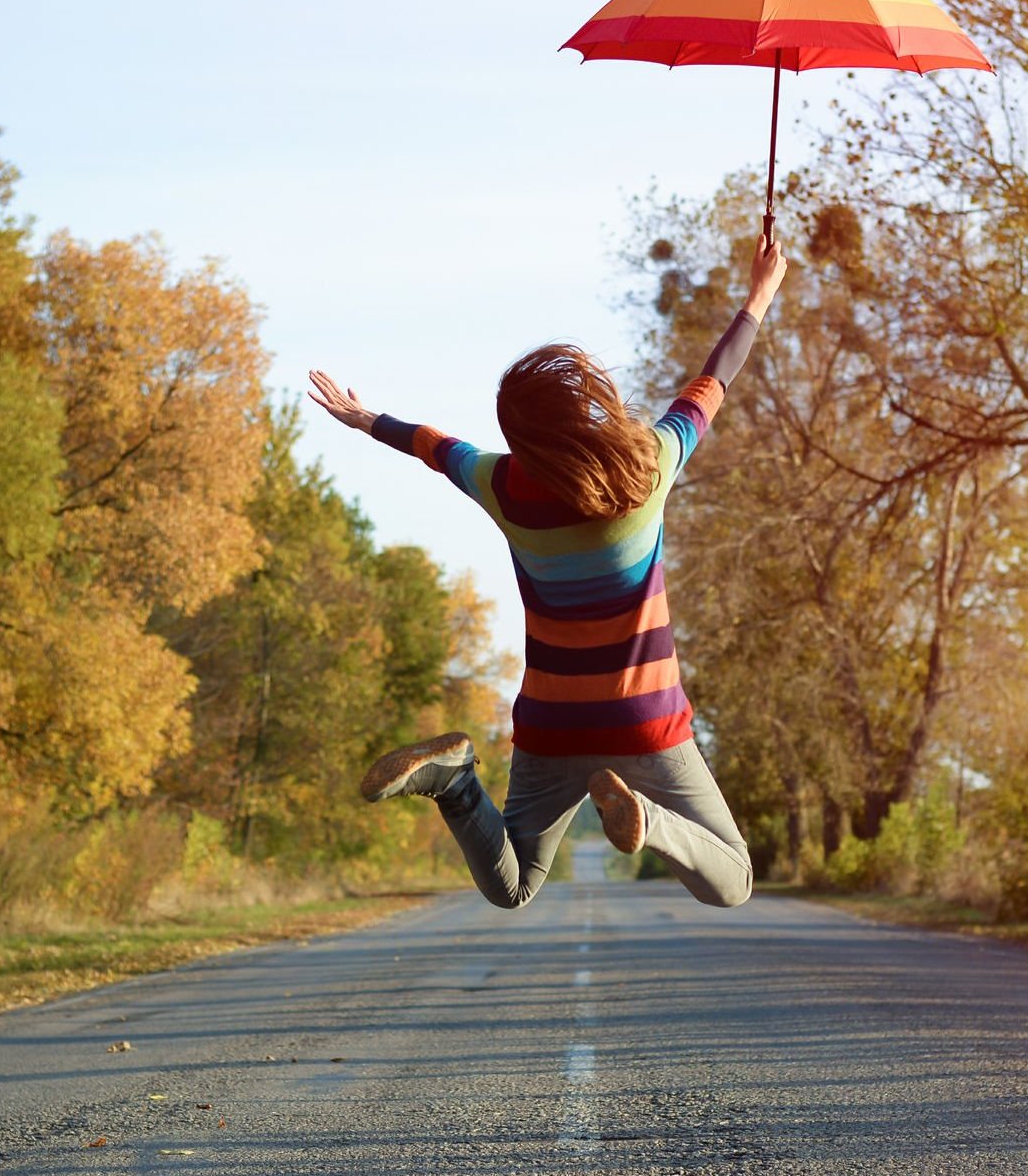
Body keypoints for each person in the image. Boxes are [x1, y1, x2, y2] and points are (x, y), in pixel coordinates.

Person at [304, 236, 787, 911]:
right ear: (581, 410)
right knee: (733, 880)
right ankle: (648, 823)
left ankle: (454, 784)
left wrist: (365, 420)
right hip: (644, 722)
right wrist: (760, 293)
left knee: (514, 886)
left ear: (522, 434)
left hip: (553, 726)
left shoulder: (502, 482)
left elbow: (435, 447)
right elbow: (712, 383)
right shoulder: (647, 464)